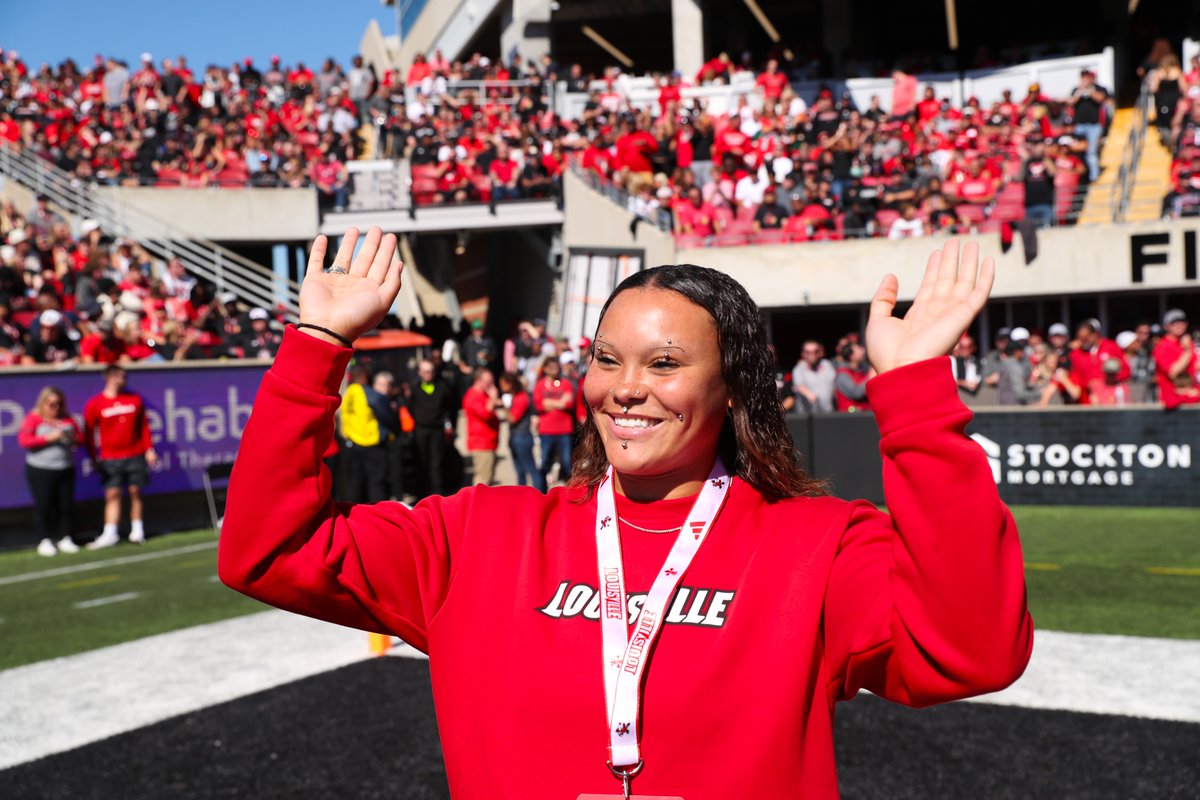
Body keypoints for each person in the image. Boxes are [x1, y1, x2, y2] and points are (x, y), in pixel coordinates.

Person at [219, 228, 1031, 798]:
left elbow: (974, 652)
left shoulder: (816, 543)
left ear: (733, 388)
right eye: (607, 359)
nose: (625, 386)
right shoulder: (481, 535)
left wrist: (916, 395)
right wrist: (318, 341)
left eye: (665, 362)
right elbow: (266, 548)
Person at [83, 365, 158, 548]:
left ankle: (137, 530)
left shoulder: (134, 399)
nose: (124, 379)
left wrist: (149, 449)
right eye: (120, 376)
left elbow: (144, 427)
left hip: (135, 453)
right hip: (110, 458)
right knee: (112, 494)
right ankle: (110, 533)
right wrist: (93, 457)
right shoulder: (96, 403)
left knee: (135, 491)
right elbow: (89, 433)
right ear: (110, 377)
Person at [19, 387, 83, 556]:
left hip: (65, 467)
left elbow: (80, 439)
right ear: (43, 403)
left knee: (65, 505)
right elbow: (25, 441)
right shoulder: (34, 419)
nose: (55, 407)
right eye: (51, 404)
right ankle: (45, 539)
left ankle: (65, 537)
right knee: (44, 505)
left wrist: (70, 438)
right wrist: (48, 438)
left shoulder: (68, 419)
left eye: (59, 404)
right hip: (40, 469)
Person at [339, 365, 392, 503]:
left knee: (356, 482)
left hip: (353, 443)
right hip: (372, 443)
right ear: (364, 376)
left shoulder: (347, 393)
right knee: (377, 482)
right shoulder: (368, 392)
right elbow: (386, 413)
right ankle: (378, 512)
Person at [408, 358, 456, 497]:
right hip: (421, 429)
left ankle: (438, 493)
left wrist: (448, 424)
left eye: (430, 371)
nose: (428, 374)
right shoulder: (415, 387)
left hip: (437, 430)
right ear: (419, 372)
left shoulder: (443, 387)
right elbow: (411, 407)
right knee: (421, 462)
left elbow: (450, 406)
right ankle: (421, 493)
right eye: (425, 372)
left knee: (437, 463)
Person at [498, 371, 545, 491]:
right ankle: (521, 496)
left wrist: (502, 406)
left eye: (503, 384)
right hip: (515, 438)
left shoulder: (521, 398)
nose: (501, 387)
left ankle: (540, 494)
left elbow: (512, 419)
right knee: (519, 470)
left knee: (531, 469)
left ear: (511, 384)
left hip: (522, 438)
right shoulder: (516, 396)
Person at [532, 357, 576, 484]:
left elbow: (568, 404)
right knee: (545, 461)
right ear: (545, 369)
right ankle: (542, 490)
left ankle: (569, 489)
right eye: (551, 367)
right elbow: (539, 405)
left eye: (556, 367)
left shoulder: (566, 383)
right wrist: (560, 402)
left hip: (564, 430)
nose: (554, 370)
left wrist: (549, 403)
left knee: (567, 463)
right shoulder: (540, 385)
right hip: (546, 430)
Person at [1152, 308, 1200, 409]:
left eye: (1181, 322)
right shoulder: (1162, 346)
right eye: (1173, 323)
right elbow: (1173, 372)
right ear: (1166, 326)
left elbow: (1196, 367)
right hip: (1172, 401)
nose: (1178, 325)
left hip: (1192, 396)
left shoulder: (1187, 343)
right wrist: (1187, 351)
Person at [462, 368, 501, 486]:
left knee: (488, 478)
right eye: (488, 382)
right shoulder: (472, 396)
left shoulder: (483, 394)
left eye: (492, 382)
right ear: (478, 381)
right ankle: (477, 503)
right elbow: (486, 414)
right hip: (481, 443)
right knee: (482, 480)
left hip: (489, 441)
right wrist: (494, 398)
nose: (491, 385)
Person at [791, 340, 836, 413]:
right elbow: (799, 386)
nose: (812, 355)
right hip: (807, 415)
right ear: (803, 354)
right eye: (808, 352)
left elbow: (834, 382)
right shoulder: (799, 369)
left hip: (827, 412)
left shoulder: (827, 365)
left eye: (816, 351)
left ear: (820, 352)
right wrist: (809, 394)